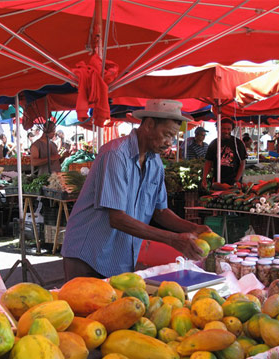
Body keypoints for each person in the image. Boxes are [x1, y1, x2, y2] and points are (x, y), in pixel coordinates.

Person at [61, 99, 208, 280]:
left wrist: (194, 228)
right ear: (149, 125)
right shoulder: (115, 154)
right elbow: (117, 219)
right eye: (167, 135)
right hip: (88, 254)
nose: (169, 142)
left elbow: (160, 211)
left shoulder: (155, 163)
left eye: (173, 137)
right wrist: (173, 239)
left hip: (119, 257)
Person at [201, 118, 247, 187]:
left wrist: (236, 180)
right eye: (223, 129)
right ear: (218, 129)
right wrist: (204, 178)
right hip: (217, 181)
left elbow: (242, 163)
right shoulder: (214, 144)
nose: (226, 131)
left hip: (233, 181)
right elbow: (208, 162)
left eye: (228, 129)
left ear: (232, 129)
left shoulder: (238, 143)